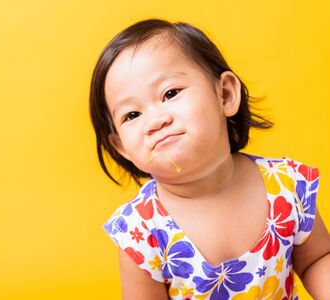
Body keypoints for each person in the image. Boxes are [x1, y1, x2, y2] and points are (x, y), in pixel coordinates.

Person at [89, 19, 330, 299]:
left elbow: (317, 259)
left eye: (170, 93)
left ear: (225, 94)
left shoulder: (285, 187)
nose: (155, 120)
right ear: (122, 148)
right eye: (132, 115)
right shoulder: (141, 231)